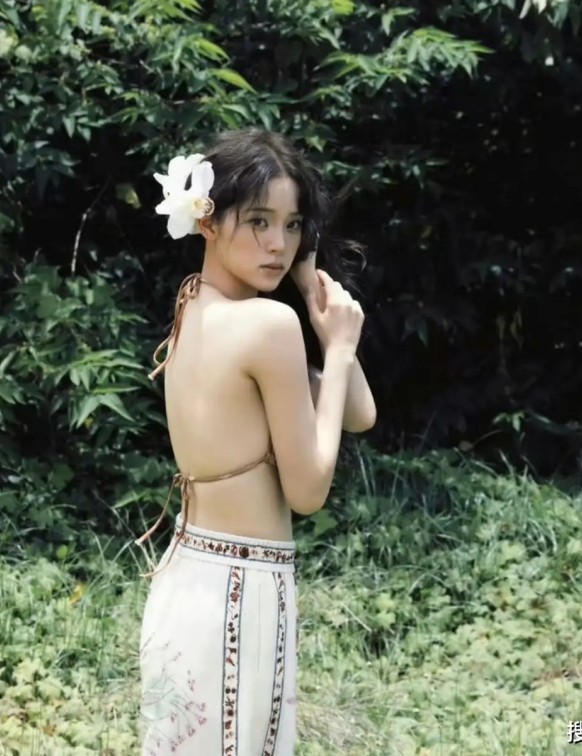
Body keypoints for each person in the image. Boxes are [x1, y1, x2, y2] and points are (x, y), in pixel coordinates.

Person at [136, 128, 376, 756]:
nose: (278, 244)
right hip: (239, 593)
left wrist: (314, 301)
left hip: (189, 581)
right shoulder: (267, 327)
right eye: (259, 221)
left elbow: (359, 412)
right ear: (207, 221)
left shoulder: (194, 305)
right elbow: (308, 491)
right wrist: (339, 347)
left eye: (293, 227)